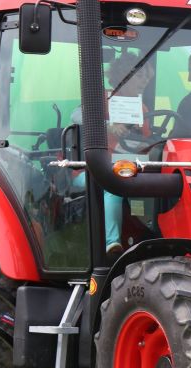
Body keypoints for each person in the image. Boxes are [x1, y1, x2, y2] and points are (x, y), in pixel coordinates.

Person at [71, 52, 155, 256]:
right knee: (112, 184)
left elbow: (146, 141)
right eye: (140, 76)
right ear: (123, 75)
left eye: (147, 77)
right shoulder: (103, 98)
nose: (144, 81)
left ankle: (152, 236)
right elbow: (75, 115)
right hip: (89, 170)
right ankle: (112, 244)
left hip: (126, 165)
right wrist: (108, 126)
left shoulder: (141, 108)